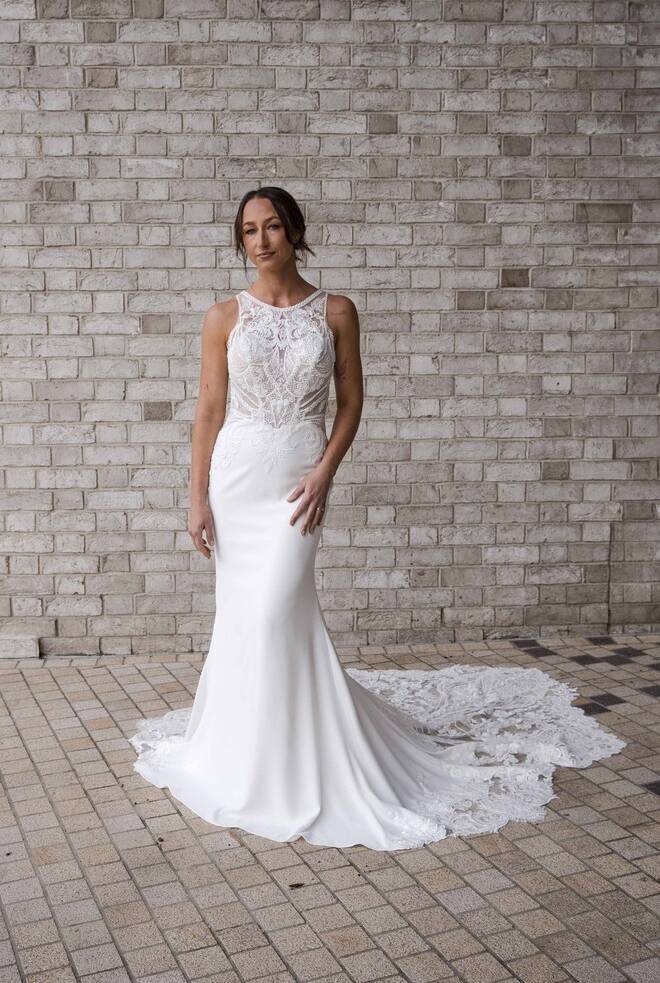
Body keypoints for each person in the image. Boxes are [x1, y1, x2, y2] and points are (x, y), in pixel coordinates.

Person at [129, 187, 626, 851]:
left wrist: (324, 471)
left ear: (294, 231)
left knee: (278, 609)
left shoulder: (335, 311)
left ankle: (301, 752)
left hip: (297, 481)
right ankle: (247, 753)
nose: (260, 240)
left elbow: (351, 403)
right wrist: (196, 498)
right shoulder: (223, 317)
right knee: (248, 617)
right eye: (248, 230)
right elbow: (209, 411)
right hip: (236, 480)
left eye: (272, 226)